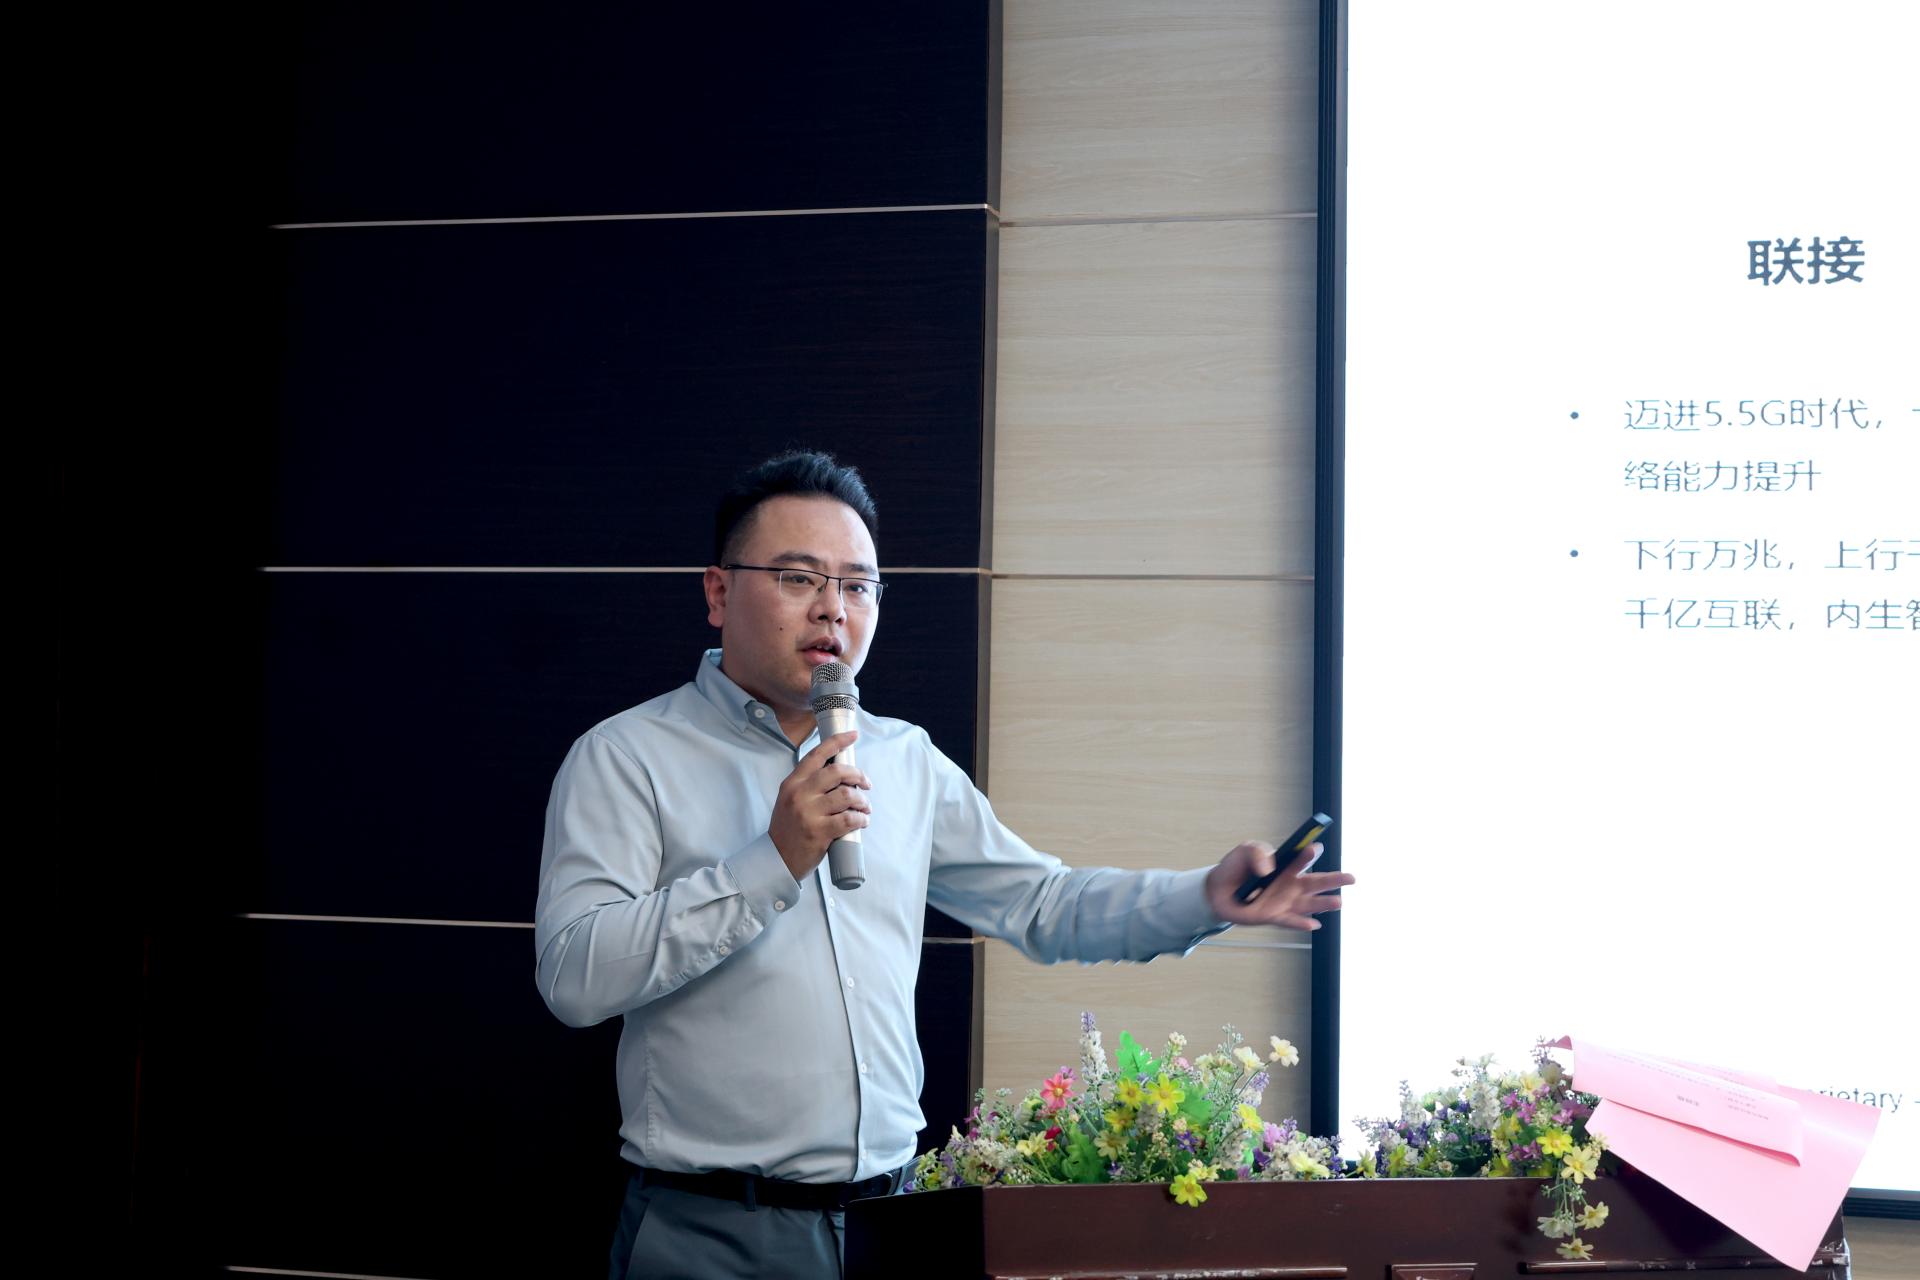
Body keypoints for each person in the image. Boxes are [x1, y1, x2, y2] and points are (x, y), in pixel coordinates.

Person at [534, 452, 1354, 1280]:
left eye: (858, 586)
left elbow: (1043, 903)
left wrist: (1204, 897)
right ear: (718, 593)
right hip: (711, 1233)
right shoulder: (627, 757)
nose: (832, 609)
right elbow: (574, 977)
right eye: (798, 578)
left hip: (895, 1226)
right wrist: (773, 861)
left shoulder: (904, 761)